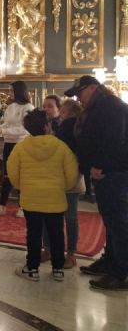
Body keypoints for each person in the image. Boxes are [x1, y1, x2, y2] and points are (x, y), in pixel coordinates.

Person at [65, 75, 128, 291]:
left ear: (93, 88)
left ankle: (121, 273)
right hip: (106, 173)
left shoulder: (111, 107)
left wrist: (101, 166)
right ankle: (110, 261)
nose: (79, 99)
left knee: (118, 223)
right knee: (111, 221)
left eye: (80, 93)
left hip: (113, 174)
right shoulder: (100, 106)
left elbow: (115, 141)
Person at [8, 109, 78, 282]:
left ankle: (32, 269)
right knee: (56, 233)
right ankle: (58, 269)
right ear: (47, 126)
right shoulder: (61, 146)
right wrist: (62, 187)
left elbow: (12, 171)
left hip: (31, 198)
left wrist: (22, 187)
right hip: (55, 198)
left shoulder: (21, 147)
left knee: (33, 234)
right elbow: (72, 173)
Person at [41, 99, 85, 269]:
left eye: (63, 111)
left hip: (68, 176)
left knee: (68, 217)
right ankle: (54, 250)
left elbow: (59, 147)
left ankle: (69, 253)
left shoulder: (71, 126)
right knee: (64, 216)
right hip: (60, 176)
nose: (62, 115)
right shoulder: (59, 125)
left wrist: (50, 137)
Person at [0, 81, 34, 217]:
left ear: (19, 91)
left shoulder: (28, 108)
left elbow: (24, 129)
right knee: (7, 175)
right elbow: (7, 124)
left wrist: (1, 130)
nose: (9, 94)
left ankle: (23, 206)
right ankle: (2, 206)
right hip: (8, 144)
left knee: (21, 176)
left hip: (21, 144)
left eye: (12, 91)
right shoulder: (11, 107)